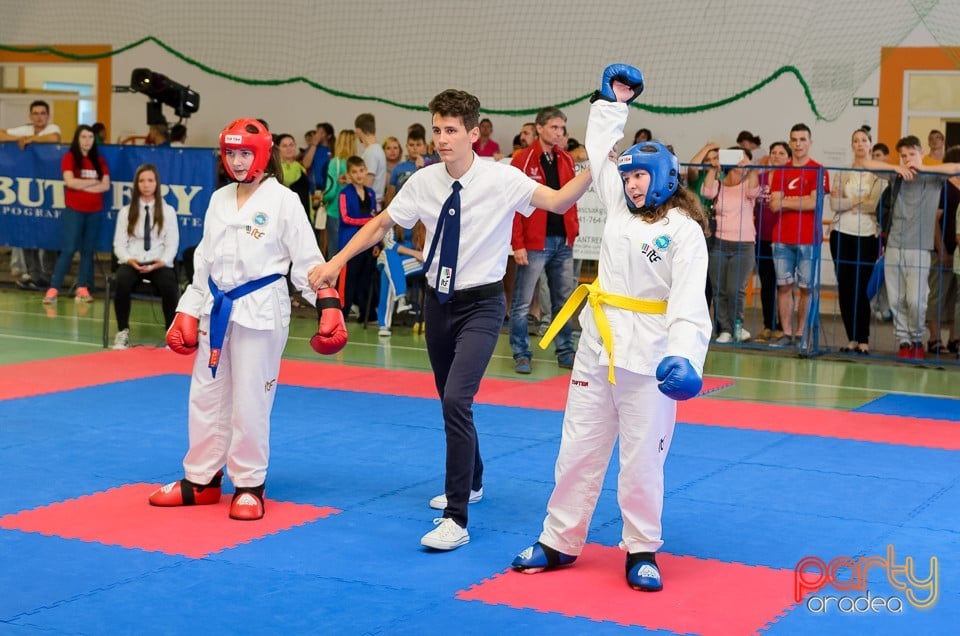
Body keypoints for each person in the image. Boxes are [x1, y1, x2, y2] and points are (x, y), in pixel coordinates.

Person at [309, 88, 592, 551]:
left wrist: (594, 165)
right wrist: (335, 262)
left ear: (473, 134)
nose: (442, 139)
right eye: (437, 129)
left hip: (482, 305)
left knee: (457, 400)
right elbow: (382, 224)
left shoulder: (502, 178)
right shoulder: (423, 182)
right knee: (449, 398)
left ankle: (457, 518)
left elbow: (559, 202)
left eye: (451, 131)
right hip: (438, 302)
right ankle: (474, 479)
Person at [511, 65, 710, 593]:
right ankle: (559, 540)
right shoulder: (619, 207)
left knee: (642, 460)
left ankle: (641, 548)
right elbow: (601, 149)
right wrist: (611, 101)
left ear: (665, 176)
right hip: (598, 344)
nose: (631, 183)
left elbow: (690, 302)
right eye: (628, 178)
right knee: (577, 448)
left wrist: (688, 358)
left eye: (641, 176)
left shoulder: (684, 232)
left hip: (653, 357)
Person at [148, 118, 347, 521]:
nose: (238, 162)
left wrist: (328, 304)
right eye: (231, 154)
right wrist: (187, 309)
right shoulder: (219, 198)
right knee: (205, 396)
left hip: (260, 309)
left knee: (251, 401)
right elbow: (204, 261)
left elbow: (307, 261)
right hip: (216, 308)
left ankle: (249, 484)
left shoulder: (284, 201)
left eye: (245, 154)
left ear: (262, 155)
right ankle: (201, 481)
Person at [865, 135, 960, 359]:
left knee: (916, 299)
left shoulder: (933, 177)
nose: (908, 159)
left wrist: (923, 167)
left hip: (920, 248)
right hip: (894, 246)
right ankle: (904, 341)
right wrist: (897, 167)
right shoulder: (896, 175)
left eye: (911, 154)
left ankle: (917, 336)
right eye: (904, 155)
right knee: (897, 299)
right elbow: (866, 164)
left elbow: (957, 166)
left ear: (920, 153)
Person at [509, 106, 579, 373]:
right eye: (554, 127)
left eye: (562, 128)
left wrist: (573, 230)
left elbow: (571, 198)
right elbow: (514, 204)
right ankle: (521, 353)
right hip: (534, 242)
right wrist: (518, 244)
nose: (559, 133)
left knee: (563, 300)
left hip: (562, 239)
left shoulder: (566, 159)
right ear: (539, 128)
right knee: (523, 301)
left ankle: (565, 351)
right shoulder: (523, 160)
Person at [768, 123, 830, 348]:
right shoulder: (781, 170)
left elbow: (816, 202)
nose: (798, 144)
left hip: (808, 238)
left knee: (806, 288)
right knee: (784, 286)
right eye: (794, 139)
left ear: (810, 142)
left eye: (803, 139)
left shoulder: (819, 170)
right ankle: (786, 333)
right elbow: (774, 205)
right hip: (782, 237)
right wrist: (799, 201)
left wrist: (786, 201)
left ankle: (803, 334)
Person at [111, 164, 180, 349]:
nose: (146, 184)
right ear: (136, 184)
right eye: (141, 181)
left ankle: (171, 333)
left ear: (157, 184)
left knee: (169, 283)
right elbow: (119, 244)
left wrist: (162, 261)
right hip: (133, 261)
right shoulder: (125, 212)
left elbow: (172, 243)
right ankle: (122, 332)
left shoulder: (168, 211)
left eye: (150, 180)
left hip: (158, 262)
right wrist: (128, 259)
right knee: (121, 280)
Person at [828, 128, 883, 355]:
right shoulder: (842, 172)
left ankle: (863, 338)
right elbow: (834, 204)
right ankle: (851, 338)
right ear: (852, 145)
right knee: (846, 287)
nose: (860, 144)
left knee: (861, 288)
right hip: (841, 233)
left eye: (864, 140)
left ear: (870, 145)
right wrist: (859, 200)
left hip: (867, 235)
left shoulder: (878, 174)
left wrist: (848, 200)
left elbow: (873, 205)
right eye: (856, 141)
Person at [43, 125, 110, 304]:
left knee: (87, 251)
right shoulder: (69, 157)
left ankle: (82, 288)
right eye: (83, 137)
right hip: (74, 210)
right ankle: (53, 289)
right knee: (69, 249)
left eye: (90, 137)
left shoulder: (100, 161)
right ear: (77, 139)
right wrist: (92, 182)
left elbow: (105, 186)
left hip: (94, 212)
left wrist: (84, 184)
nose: (87, 140)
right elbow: (70, 182)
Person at [1, 100, 61, 291]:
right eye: (35, 113)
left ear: (48, 116)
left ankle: (48, 276)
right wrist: (17, 138)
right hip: (28, 190)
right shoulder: (25, 129)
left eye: (43, 113)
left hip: (49, 190)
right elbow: (1, 133)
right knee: (28, 232)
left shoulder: (52, 128)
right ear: (30, 116)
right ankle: (34, 275)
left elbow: (54, 139)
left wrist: (30, 140)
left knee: (49, 235)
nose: (39, 117)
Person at [702, 148, 759, 342]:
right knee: (719, 289)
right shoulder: (719, 185)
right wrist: (713, 169)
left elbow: (753, 192)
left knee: (736, 289)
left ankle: (738, 325)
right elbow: (706, 191)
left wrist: (752, 170)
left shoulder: (747, 184)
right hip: (719, 243)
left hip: (743, 245)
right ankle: (724, 329)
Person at [753, 142, 790, 342]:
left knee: (784, 284)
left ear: (788, 157)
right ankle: (769, 325)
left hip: (783, 237)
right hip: (762, 236)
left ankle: (785, 327)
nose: (776, 156)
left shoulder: (790, 178)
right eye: (773, 152)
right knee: (767, 282)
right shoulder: (760, 178)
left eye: (781, 153)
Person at [926, 145, 960, 356]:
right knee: (938, 294)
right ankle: (934, 337)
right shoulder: (943, 187)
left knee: (955, 297)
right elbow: (934, 221)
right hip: (942, 249)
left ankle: (954, 337)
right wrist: (942, 250)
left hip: (957, 252)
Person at [337, 156, 379, 323]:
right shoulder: (344, 194)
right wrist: (369, 220)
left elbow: (376, 219)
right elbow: (346, 218)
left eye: (361, 170)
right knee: (348, 279)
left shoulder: (371, 193)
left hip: (368, 242)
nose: (359, 174)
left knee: (365, 279)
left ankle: (366, 313)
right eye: (354, 172)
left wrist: (376, 243)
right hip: (349, 242)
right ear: (349, 174)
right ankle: (341, 312)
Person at [323, 129, 358, 258]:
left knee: (334, 252)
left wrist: (323, 197)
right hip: (353, 213)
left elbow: (330, 192)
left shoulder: (335, 163)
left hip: (335, 211)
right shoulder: (357, 164)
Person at [355, 113, 386, 206]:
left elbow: (367, 183)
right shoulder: (376, 150)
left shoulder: (371, 153)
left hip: (368, 205)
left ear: (358, 131)